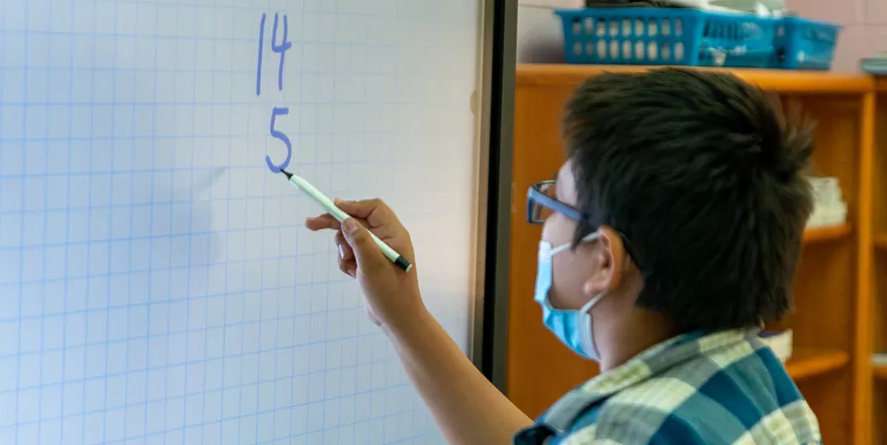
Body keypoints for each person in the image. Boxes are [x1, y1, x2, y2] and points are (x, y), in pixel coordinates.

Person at [305, 68, 822, 444]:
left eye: (552, 203)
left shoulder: (620, 436)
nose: (544, 226)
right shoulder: (756, 377)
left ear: (604, 260)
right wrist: (404, 315)